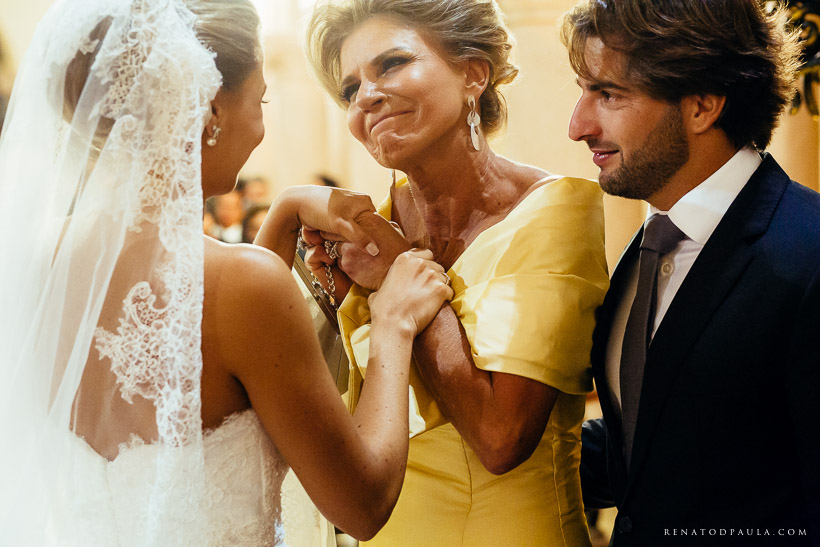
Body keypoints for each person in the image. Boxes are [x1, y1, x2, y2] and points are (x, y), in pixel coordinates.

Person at [0, 0, 453, 545]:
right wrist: (392, 324)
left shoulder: (33, 260)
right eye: (260, 99)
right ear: (211, 109)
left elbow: (207, 344)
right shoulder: (242, 284)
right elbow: (364, 504)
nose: (261, 125)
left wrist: (284, 213)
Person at [304, 0, 610, 544]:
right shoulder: (373, 228)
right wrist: (335, 292)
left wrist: (398, 278)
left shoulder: (550, 213)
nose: (367, 96)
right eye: (350, 89)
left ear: (473, 74)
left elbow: (501, 438)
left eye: (392, 63)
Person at [561, 0, 820, 544]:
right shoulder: (649, 246)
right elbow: (656, 442)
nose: (578, 126)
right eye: (583, 91)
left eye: (608, 94)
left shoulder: (809, 254)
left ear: (702, 105)